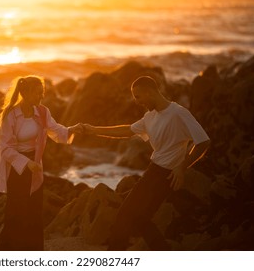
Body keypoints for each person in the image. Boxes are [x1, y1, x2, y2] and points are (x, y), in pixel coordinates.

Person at [83, 76, 210, 250]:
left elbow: (203, 141)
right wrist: (94, 131)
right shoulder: (150, 117)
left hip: (167, 175)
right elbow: (127, 130)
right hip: (153, 171)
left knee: (126, 216)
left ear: (149, 92)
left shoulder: (178, 113)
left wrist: (181, 168)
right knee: (137, 219)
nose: (136, 101)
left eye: (138, 96)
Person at [0, 75, 82, 251]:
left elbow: (55, 130)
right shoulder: (11, 115)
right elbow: (5, 148)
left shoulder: (42, 112)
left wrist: (72, 130)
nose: (41, 97)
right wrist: (27, 163)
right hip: (16, 168)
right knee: (15, 216)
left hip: (35, 168)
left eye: (42, 93)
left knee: (34, 215)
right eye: (37, 93)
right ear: (24, 93)